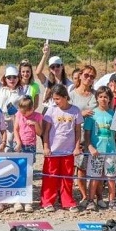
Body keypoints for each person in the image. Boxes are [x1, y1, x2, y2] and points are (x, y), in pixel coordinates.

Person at [41, 84, 81, 213]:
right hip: (53, 151)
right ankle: (47, 201)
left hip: (68, 151)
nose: (56, 101)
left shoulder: (75, 110)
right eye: (54, 99)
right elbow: (45, 131)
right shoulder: (51, 110)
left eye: (58, 98)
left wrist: (76, 147)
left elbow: (77, 131)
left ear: (65, 97)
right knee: (50, 177)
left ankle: (67, 201)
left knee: (67, 178)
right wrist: (46, 146)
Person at [84, 86, 116, 212]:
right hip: (96, 151)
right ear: (97, 98)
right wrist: (90, 147)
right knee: (94, 177)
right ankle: (90, 200)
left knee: (111, 177)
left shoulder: (113, 114)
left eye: (106, 97)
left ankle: (112, 201)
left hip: (110, 151)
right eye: (100, 97)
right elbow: (87, 134)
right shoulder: (91, 114)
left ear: (110, 99)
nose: (103, 99)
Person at [69, 65, 98, 209]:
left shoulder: (95, 95)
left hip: (94, 135)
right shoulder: (72, 94)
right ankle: (84, 196)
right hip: (78, 135)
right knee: (81, 167)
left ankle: (93, 197)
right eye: (86, 75)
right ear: (80, 75)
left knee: (93, 167)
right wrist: (81, 114)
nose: (89, 78)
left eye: (92, 76)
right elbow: (67, 114)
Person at [13, 95, 42, 212]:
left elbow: (40, 133)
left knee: (28, 174)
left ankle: (27, 201)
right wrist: (18, 142)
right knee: (19, 173)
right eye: (21, 111)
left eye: (25, 112)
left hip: (30, 147)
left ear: (31, 109)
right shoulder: (18, 115)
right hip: (20, 146)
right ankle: (17, 200)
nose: (23, 114)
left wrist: (35, 123)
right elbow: (15, 129)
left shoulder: (38, 116)